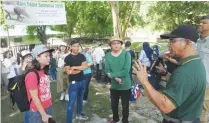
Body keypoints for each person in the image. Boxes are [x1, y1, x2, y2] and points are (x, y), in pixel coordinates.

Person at [133, 25, 206, 123]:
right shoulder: (195, 62)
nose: (168, 45)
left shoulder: (185, 72)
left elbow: (165, 106)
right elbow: (185, 86)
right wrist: (166, 73)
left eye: (172, 41)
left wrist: (145, 82)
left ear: (187, 43)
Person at [25, 45, 54, 123]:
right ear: (37, 57)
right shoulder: (32, 74)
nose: (49, 57)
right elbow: (34, 97)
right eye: (46, 56)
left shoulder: (44, 70)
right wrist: (43, 114)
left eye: (49, 55)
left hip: (48, 106)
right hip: (37, 111)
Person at [105, 37, 132, 123]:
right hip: (114, 84)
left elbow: (126, 70)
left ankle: (125, 121)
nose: (116, 45)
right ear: (110, 46)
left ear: (121, 44)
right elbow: (107, 70)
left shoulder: (126, 54)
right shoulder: (108, 55)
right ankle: (115, 119)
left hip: (125, 84)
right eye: (113, 43)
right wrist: (116, 78)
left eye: (118, 43)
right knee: (113, 104)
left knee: (125, 105)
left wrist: (112, 75)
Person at [64, 39, 88, 123]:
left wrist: (74, 67)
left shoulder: (82, 56)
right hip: (73, 83)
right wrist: (79, 68)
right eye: (74, 46)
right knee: (71, 102)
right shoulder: (67, 58)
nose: (76, 48)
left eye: (78, 46)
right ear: (70, 47)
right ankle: (68, 120)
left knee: (80, 99)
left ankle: (79, 114)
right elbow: (68, 72)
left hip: (82, 81)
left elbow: (85, 66)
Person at [197, 15, 209, 123]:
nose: (200, 24)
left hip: (207, 84)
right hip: (196, 81)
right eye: (200, 22)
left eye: (204, 23)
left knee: (203, 112)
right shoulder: (198, 42)